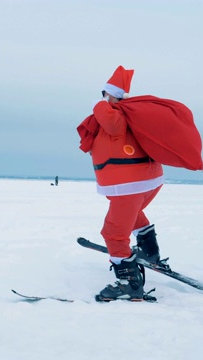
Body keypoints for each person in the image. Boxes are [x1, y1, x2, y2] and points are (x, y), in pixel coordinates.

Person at [77, 66, 163, 302]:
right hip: (142, 181)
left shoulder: (114, 113)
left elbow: (113, 125)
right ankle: (150, 252)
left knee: (114, 233)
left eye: (107, 93)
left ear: (113, 95)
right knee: (133, 214)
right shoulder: (126, 114)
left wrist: (102, 102)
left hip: (131, 183)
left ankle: (129, 284)